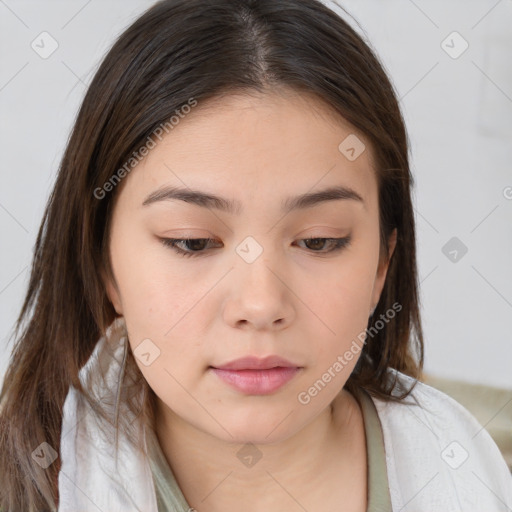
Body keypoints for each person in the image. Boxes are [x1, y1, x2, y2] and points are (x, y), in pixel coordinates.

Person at [0, 0, 511, 511]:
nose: (261, 303)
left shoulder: (474, 478)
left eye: (319, 241)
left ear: (383, 263)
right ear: (103, 265)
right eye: (193, 242)